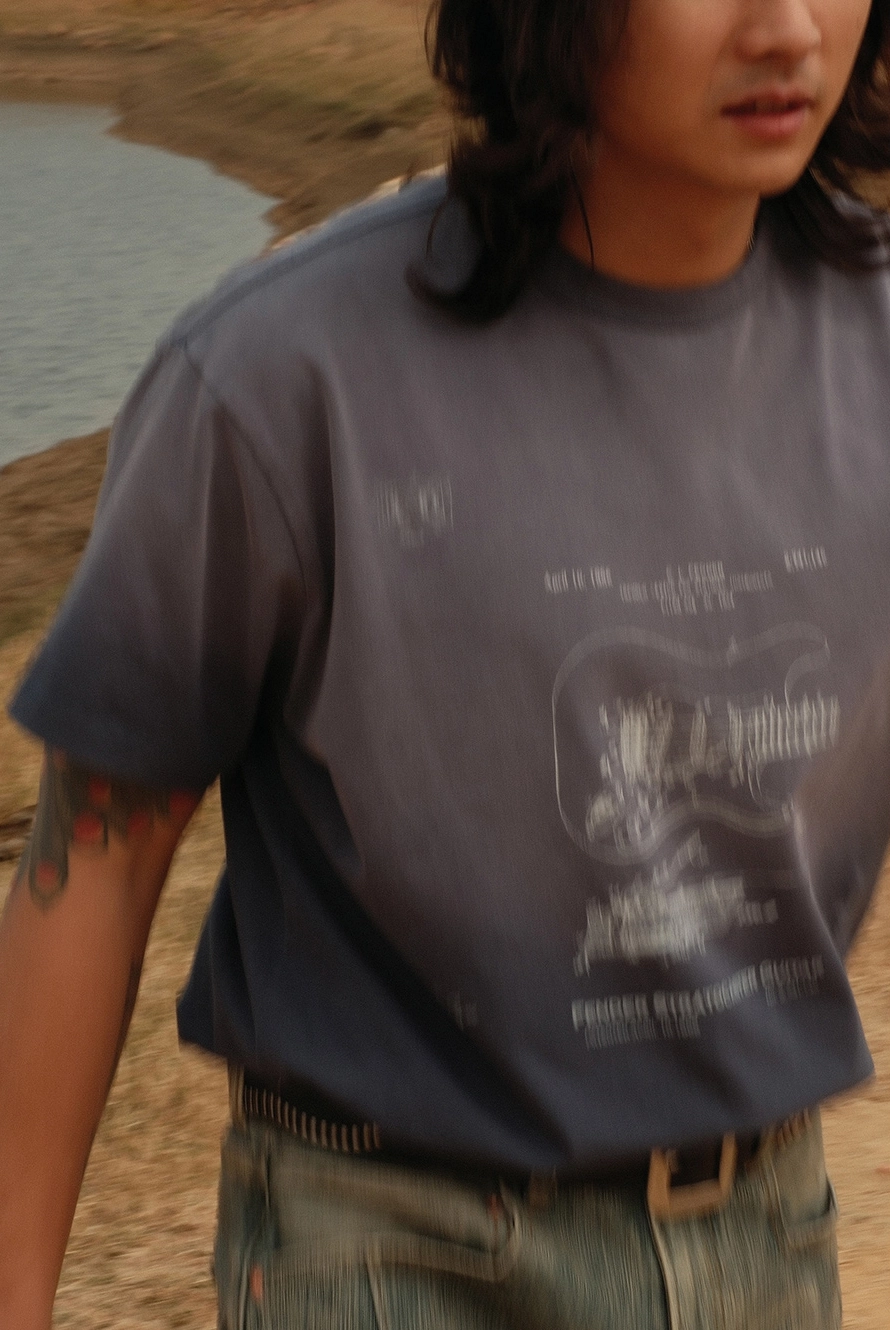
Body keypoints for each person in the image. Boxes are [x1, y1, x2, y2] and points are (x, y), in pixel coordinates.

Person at [1, 0, 888, 1325]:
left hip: (765, 1241)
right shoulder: (281, 376)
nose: (785, 27)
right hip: (391, 1259)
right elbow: (95, 868)